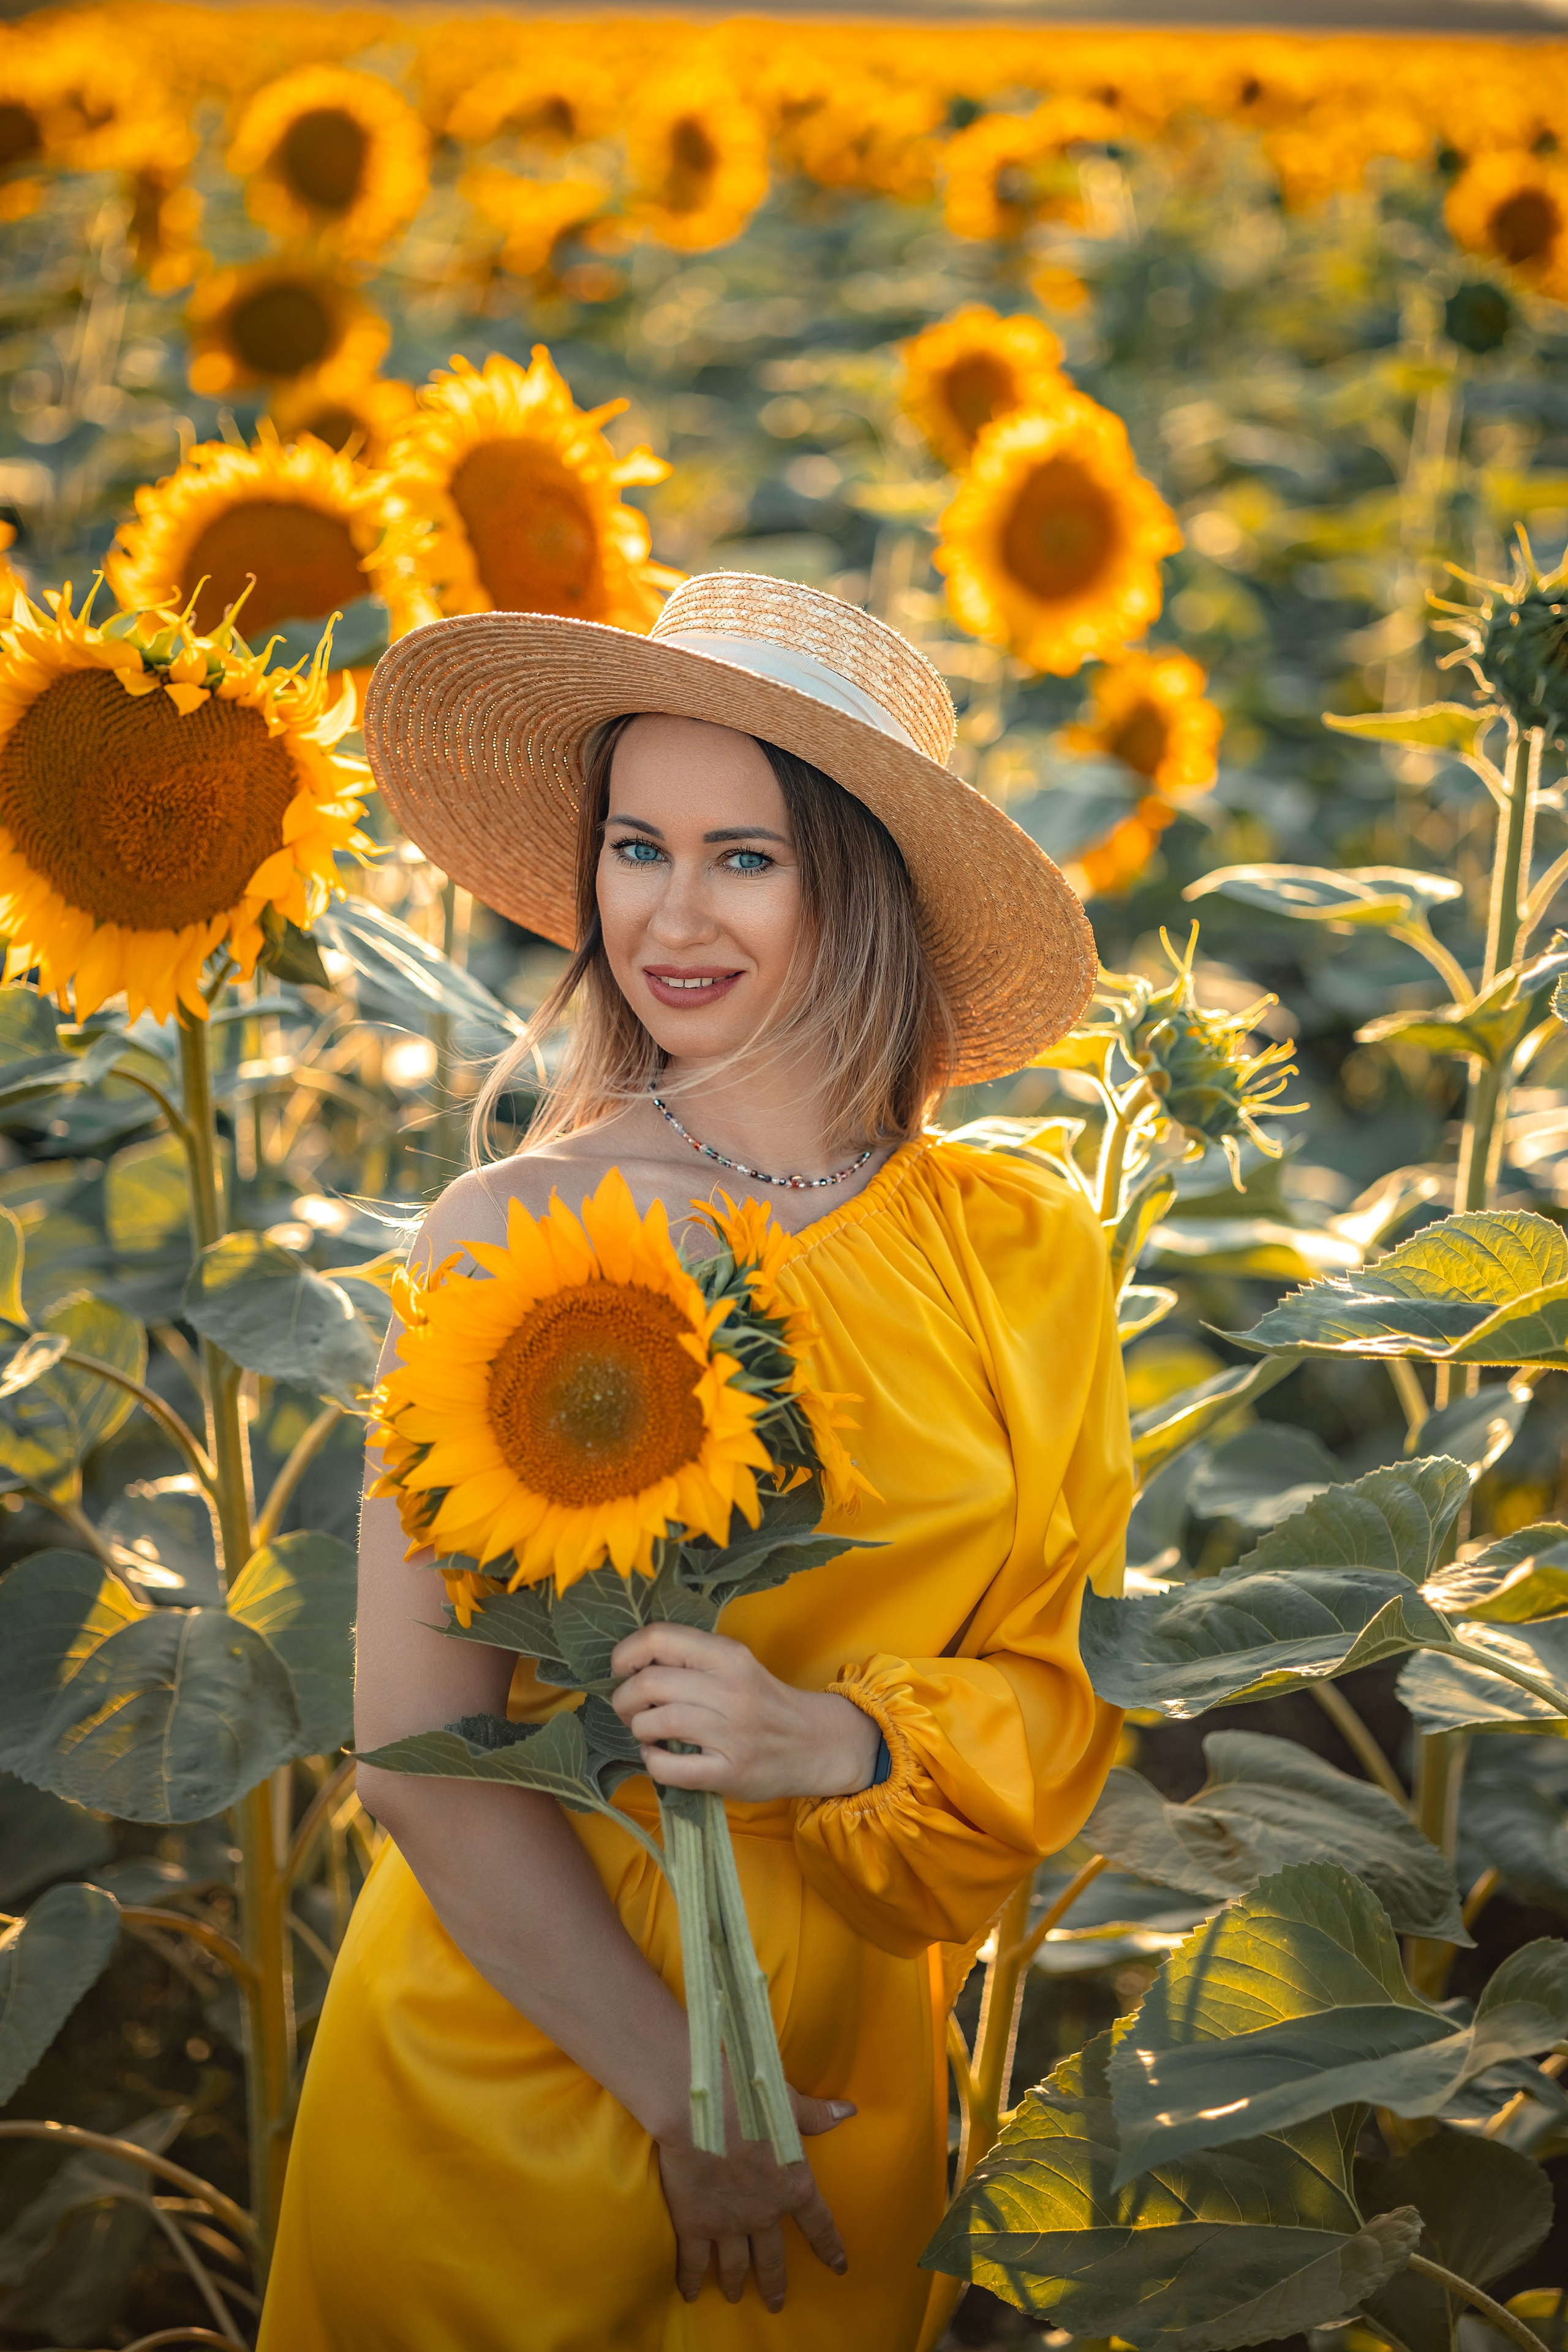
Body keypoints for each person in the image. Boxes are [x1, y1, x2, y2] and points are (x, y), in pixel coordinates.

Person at [257, 571, 1133, 2352]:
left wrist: (839, 1743)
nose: (671, 914)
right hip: (528, 2066)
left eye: (746, 857)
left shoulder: (1022, 1251)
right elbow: (420, 1756)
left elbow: (1071, 1678)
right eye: (635, 846)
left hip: (845, 2072)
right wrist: (687, 2093)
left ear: (860, 888)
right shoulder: (514, 1230)